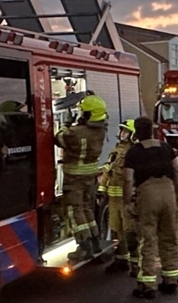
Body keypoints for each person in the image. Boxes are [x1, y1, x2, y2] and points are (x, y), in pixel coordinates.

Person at [124, 116, 178, 299]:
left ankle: (148, 285)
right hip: (168, 192)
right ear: (152, 129)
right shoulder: (166, 147)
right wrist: (177, 193)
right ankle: (170, 279)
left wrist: (127, 202)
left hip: (147, 194)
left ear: (136, 132)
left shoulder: (133, 151)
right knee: (169, 237)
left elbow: (127, 179)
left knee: (148, 239)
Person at [56, 94, 109, 262]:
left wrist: (66, 123)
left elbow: (59, 138)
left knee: (73, 211)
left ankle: (84, 246)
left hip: (75, 178)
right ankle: (95, 241)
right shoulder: (101, 130)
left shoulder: (76, 132)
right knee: (86, 208)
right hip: (90, 176)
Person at [104, 119, 138, 274]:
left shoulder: (133, 152)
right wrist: (102, 188)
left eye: (126, 131)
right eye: (122, 131)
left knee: (130, 232)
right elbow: (108, 170)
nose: (122, 134)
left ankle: (136, 265)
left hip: (126, 199)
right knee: (117, 230)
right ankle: (121, 261)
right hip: (113, 197)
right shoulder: (116, 150)